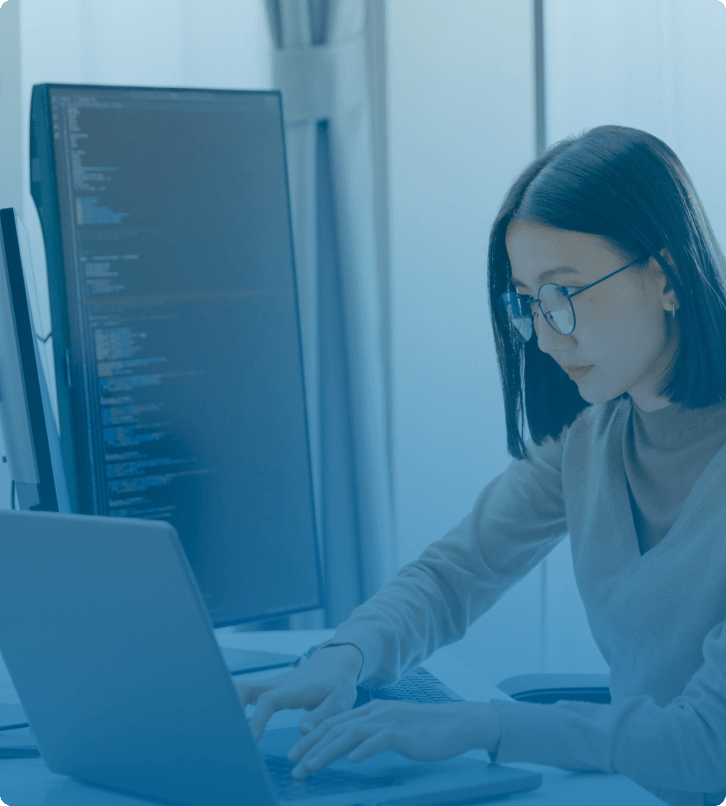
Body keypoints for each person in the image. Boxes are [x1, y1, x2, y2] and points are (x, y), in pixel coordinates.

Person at [237, 125, 726, 806]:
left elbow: (707, 742)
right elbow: (453, 575)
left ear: (665, 277)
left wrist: (481, 725)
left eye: (565, 293)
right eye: (529, 303)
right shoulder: (593, 434)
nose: (549, 335)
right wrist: (342, 658)